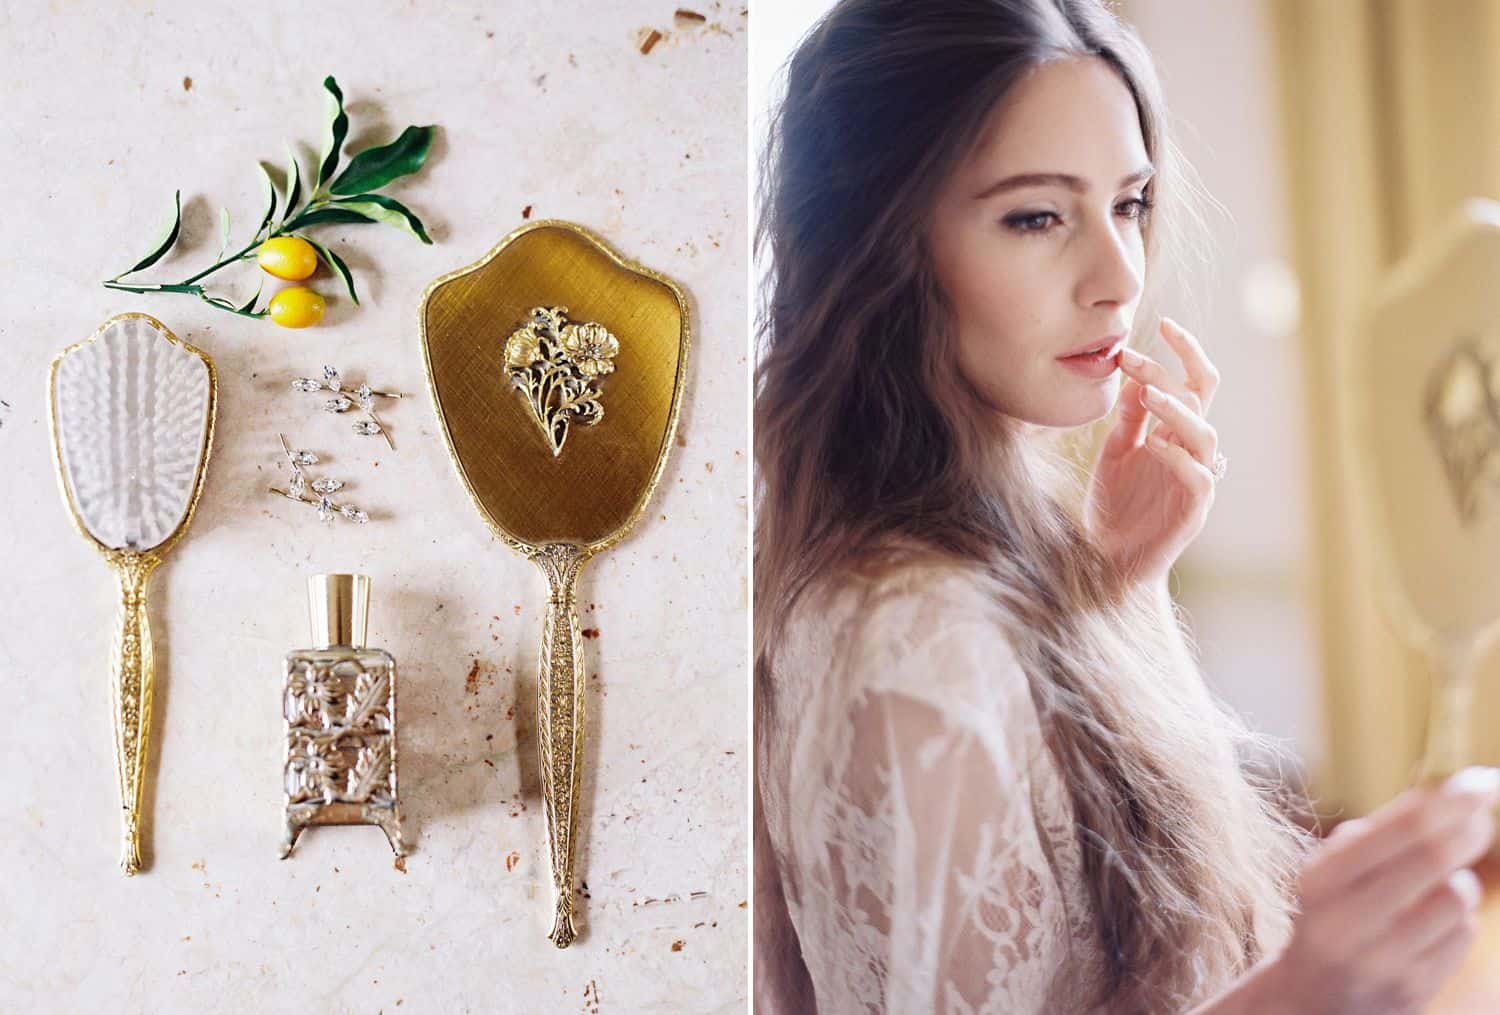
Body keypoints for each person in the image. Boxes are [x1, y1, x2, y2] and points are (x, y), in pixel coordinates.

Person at [751, 1, 1498, 1011]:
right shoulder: (920, 636)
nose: (1119, 277)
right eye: (1037, 216)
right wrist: (1308, 988)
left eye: (1131, 204)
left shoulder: (893, 560)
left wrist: (1106, 585)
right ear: (878, 241)